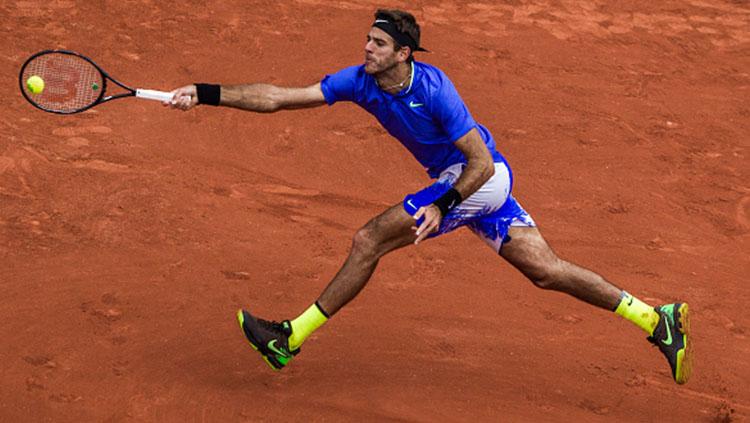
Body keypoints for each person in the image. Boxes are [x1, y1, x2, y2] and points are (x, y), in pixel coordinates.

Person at [166, 9, 691, 384]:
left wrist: (442, 205)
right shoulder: (359, 82)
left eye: (377, 44)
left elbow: (482, 163)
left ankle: (290, 338)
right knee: (545, 270)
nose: (366, 49)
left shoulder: (436, 89)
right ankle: (655, 319)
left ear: (402, 53)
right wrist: (207, 93)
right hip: (465, 182)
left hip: (478, 178)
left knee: (369, 238)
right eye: (367, 41)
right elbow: (281, 98)